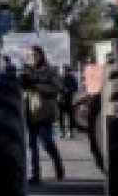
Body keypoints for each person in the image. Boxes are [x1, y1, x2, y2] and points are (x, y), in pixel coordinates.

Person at [20, 45, 64, 185]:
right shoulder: (25, 72)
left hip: (45, 112)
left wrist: (36, 86)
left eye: (36, 54)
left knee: (46, 141)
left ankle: (57, 162)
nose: (33, 57)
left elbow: (57, 87)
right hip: (28, 112)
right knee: (31, 145)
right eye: (30, 55)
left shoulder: (50, 70)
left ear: (41, 55)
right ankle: (35, 175)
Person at [59, 66, 79, 139]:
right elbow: (57, 87)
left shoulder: (72, 79)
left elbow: (75, 88)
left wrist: (69, 90)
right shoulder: (61, 79)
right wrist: (61, 91)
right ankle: (62, 131)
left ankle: (70, 131)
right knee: (61, 116)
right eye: (64, 71)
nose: (65, 73)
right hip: (61, 99)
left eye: (67, 71)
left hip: (69, 99)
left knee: (70, 116)